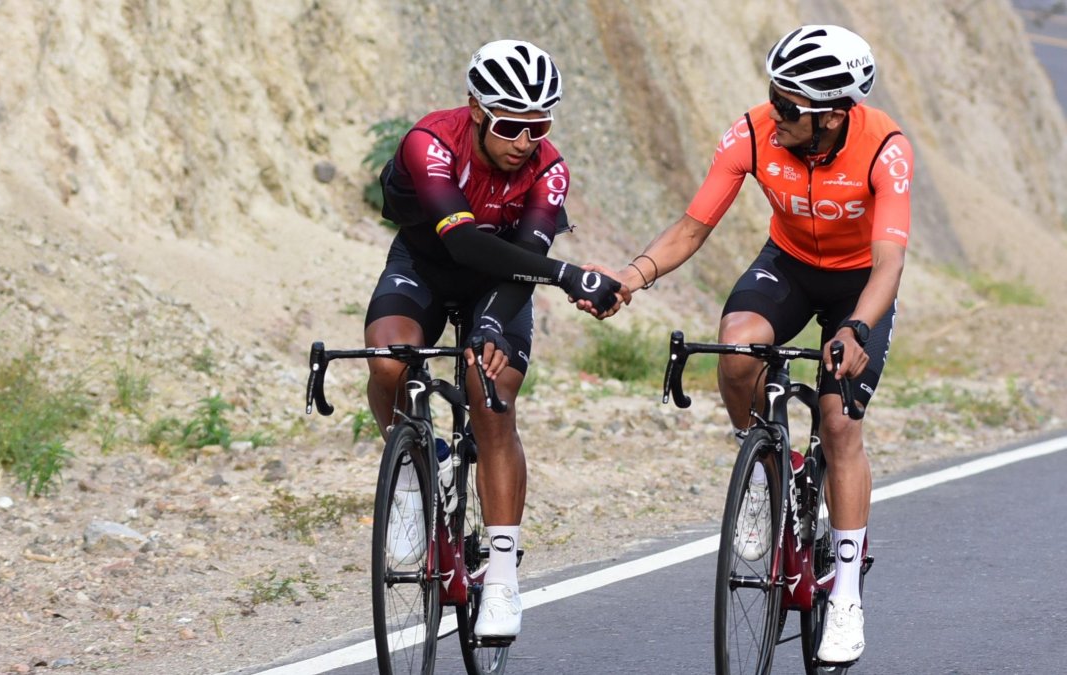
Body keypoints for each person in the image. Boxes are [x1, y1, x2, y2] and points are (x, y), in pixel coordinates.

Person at [582, 25, 912, 663]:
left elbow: (890, 264)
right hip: (787, 265)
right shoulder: (754, 131)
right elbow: (692, 225)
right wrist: (632, 277)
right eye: (773, 95)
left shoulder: (885, 150)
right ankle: (765, 473)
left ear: (835, 114)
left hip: (859, 284)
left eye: (790, 106)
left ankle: (844, 594)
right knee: (737, 350)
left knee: (839, 422)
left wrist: (858, 328)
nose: (775, 112)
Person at [364, 39, 625, 638]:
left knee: (493, 398)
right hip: (428, 263)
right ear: (477, 111)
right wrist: (567, 274)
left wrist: (491, 322)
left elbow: (526, 260)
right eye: (511, 126)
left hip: (503, 282)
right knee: (386, 362)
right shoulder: (429, 142)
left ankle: (503, 578)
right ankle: (410, 476)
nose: (524, 141)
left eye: (539, 126)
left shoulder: (548, 168)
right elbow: (460, 243)